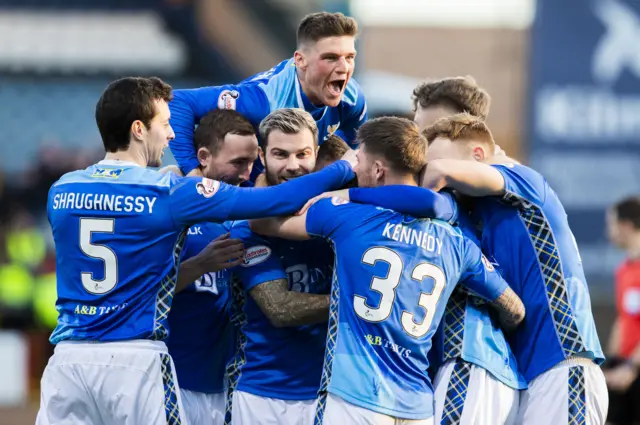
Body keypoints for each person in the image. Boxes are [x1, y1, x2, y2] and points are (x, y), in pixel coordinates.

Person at [37, 76, 357, 425]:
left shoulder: (62, 190)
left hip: (67, 359)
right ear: (139, 129)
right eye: (165, 124)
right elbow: (277, 199)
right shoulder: (168, 191)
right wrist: (347, 166)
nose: (173, 135)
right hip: (135, 358)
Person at [251, 116, 525, 424]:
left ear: (378, 170)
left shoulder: (349, 217)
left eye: (360, 162)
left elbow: (261, 221)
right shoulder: (456, 242)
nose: (355, 170)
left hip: (355, 399)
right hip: (417, 405)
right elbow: (514, 308)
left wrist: (267, 181)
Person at [422, 113, 607, 425]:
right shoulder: (482, 214)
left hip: (564, 364)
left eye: (449, 166)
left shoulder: (523, 180)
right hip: (530, 374)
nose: (444, 185)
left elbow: (438, 171)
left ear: (478, 156)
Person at [412, 76, 526, 425]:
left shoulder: (496, 185)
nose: (418, 144)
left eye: (428, 130)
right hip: (482, 366)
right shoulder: (477, 190)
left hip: (470, 359)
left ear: (460, 127)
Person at [227, 108, 335, 425]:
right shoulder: (246, 227)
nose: (292, 166)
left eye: (303, 154)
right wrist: (360, 303)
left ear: (316, 153)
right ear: (262, 155)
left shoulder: (335, 214)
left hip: (331, 392)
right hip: (262, 396)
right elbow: (281, 308)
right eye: (280, 154)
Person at [169, 11, 367, 178]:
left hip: (288, 190)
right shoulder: (263, 101)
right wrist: (192, 172)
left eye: (350, 57)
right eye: (331, 58)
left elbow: (353, 151)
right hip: (243, 193)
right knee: (173, 174)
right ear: (301, 61)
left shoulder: (351, 98)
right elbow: (178, 102)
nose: (344, 68)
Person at [166, 108, 260, 425]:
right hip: (169, 379)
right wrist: (201, 263)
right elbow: (141, 290)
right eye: (237, 163)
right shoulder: (167, 206)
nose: (246, 173)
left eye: (251, 162)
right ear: (203, 156)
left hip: (222, 383)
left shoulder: (248, 213)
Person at [604, 196, 640, 425]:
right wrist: (612, 364)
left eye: (611, 224)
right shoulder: (623, 270)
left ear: (625, 226)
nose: (609, 232)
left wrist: (632, 367)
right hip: (623, 371)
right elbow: (623, 320)